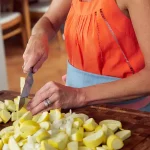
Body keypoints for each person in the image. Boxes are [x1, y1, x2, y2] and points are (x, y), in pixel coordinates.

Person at [23, 0, 150, 115]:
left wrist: (78, 96)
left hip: (128, 115)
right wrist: (38, 36)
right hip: (77, 111)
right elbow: (50, 20)